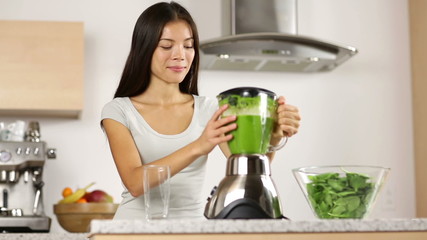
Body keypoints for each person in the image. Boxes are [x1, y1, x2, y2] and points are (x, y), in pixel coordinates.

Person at [101, 1, 301, 220]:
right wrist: (200, 145)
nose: (180, 55)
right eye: (167, 46)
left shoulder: (210, 109)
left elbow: (247, 171)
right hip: (132, 230)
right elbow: (135, 183)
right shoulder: (119, 111)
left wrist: (272, 138)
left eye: (188, 46)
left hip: (193, 230)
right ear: (145, 48)